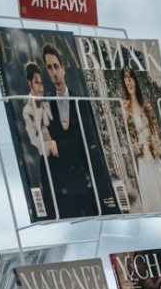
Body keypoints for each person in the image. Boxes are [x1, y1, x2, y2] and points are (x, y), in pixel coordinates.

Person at [41, 42, 116, 218]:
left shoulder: (81, 102)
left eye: (56, 66)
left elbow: (88, 142)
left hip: (85, 184)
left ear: (63, 69)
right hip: (64, 188)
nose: (54, 73)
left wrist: (59, 146)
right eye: (49, 68)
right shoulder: (48, 106)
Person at [121, 67, 161, 213]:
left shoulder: (146, 105)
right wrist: (136, 146)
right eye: (126, 80)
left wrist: (155, 146)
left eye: (131, 79)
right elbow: (126, 130)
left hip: (152, 152)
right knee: (147, 183)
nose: (129, 83)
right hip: (140, 154)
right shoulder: (125, 108)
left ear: (135, 81)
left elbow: (154, 127)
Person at [21, 62, 58, 220]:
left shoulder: (47, 104)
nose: (41, 88)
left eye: (41, 83)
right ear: (30, 83)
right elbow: (34, 139)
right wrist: (50, 145)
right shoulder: (28, 110)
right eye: (37, 83)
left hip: (57, 156)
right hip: (44, 158)